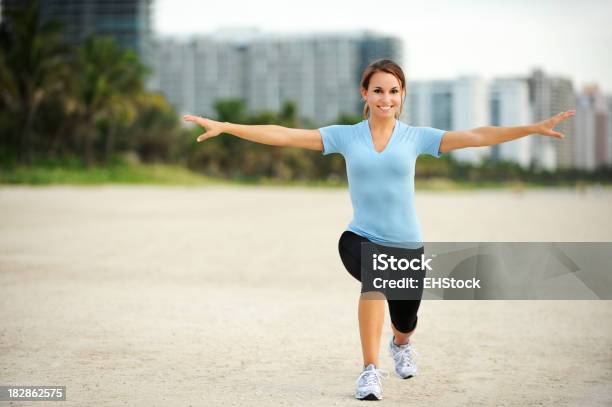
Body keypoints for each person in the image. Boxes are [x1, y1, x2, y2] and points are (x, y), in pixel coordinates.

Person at [183, 59, 575, 401]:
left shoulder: (417, 137)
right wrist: (227, 126)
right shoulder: (345, 135)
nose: (386, 98)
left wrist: (532, 128)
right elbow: (284, 134)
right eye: (378, 91)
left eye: (393, 91)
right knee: (374, 278)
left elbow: (477, 136)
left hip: (408, 247)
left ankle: (401, 344)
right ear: (364, 94)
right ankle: (370, 370)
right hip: (360, 237)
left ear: (402, 94)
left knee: (405, 320)